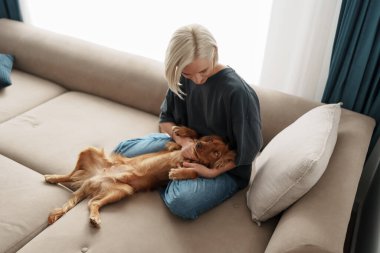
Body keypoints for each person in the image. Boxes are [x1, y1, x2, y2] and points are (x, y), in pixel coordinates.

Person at [114, 24, 262, 220]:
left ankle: (163, 176)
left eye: (203, 71)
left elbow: (249, 151)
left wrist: (208, 173)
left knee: (181, 202)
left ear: (214, 52)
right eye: (187, 74)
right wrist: (185, 143)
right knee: (121, 151)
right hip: (185, 147)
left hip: (223, 169)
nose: (197, 80)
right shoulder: (183, 79)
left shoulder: (237, 93)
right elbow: (165, 121)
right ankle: (167, 172)